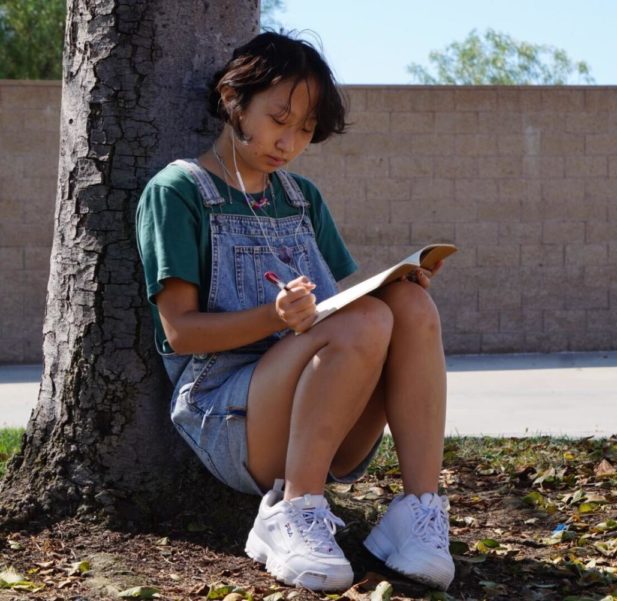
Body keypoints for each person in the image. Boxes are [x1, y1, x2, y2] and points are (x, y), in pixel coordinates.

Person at [135, 31, 454, 592]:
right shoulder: (178, 191)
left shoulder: (301, 197)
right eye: (279, 119)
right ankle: (293, 510)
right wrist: (276, 317)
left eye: (304, 130)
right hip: (227, 413)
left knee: (409, 304)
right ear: (234, 99)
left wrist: (400, 284)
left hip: (324, 412)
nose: (288, 141)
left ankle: (418, 511)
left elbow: (351, 317)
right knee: (371, 319)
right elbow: (179, 332)